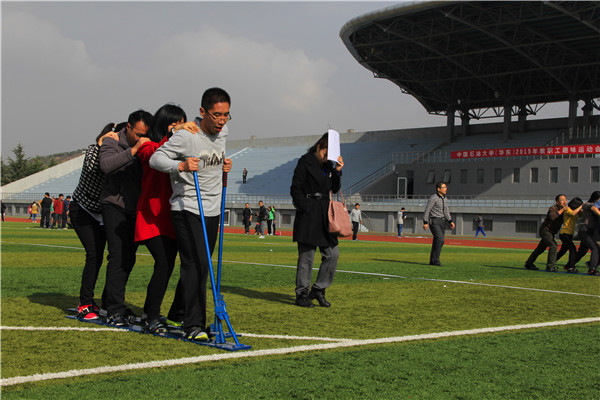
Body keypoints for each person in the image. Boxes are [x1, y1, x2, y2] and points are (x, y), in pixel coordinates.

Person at [150, 87, 233, 341]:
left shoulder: (224, 132)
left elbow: (214, 158)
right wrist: (181, 165)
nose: (221, 121)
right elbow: (156, 158)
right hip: (188, 207)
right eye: (216, 115)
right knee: (194, 264)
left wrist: (224, 165)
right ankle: (193, 325)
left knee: (204, 265)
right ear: (202, 112)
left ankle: (185, 314)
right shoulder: (188, 135)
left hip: (212, 208)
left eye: (226, 115)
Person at [135, 104, 199, 333]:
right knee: (163, 264)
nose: (180, 128)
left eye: (182, 122)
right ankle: (150, 315)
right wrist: (174, 132)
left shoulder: (181, 151)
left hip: (174, 215)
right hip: (151, 217)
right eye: (174, 123)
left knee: (186, 263)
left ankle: (175, 314)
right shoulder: (149, 146)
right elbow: (153, 156)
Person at [100, 110, 153, 326]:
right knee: (118, 256)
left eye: (145, 135)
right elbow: (106, 166)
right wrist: (134, 150)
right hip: (113, 204)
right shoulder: (111, 141)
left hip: (134, 208)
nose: (141, 138)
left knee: (128, 258)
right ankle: (114, 309)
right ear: (128, 127)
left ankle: (108, 302)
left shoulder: (146, 142)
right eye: (138, 134)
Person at [71, 123, 120, 320]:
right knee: (94, 255)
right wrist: (102, 144)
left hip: (103, 213)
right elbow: (93, 168)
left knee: (114, 256)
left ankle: (108, 300)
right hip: (82, 209)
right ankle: (84, 303)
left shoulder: (119, 156)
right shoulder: (93, 151)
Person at [290, 132, 344, 308]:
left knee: (332, 254)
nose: (327, 157)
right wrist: (305, 207)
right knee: (307, 257)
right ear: (319, 147)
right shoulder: (304, 162)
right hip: (309, 212)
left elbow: (334, 189)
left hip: (325, 213)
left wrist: (337, 171)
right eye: (325, 153)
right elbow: (295, 188)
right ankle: (302, 294)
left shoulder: (329, 166)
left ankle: (319, 289)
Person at [524, 194, 567, 272]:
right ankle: (550, 266)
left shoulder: (565, 210)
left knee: (540, 249)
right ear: (557, 202)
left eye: (565, 200)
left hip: (551, 232)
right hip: (545, 230)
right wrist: (562, 210)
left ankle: (529, 264)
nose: (565, 202)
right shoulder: (553, 208)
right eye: (562, 200)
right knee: (553, 246)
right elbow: (552, 217)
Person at [423, 182, 455, 266]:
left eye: (446, 187)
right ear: (438, 189)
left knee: (439, 241)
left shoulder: (445, 198)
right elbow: (427, 210)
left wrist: (450, 221)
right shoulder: (433, 198)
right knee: (440, 239)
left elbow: (446, 211)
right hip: (434, 221)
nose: (446, 189)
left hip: (442, 222)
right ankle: (436, 260)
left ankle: (433, 260)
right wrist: (425, 222)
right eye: (444, 187)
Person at [574, 191, 600, 275]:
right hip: (585, 231)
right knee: (595, 248)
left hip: (588, 231)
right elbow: (597, 212)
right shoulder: (589, 205)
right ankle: (592, 269)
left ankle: (570, 264)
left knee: (582, 251)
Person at [556, 197, 583, 273]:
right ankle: (571, 267)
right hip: (564, 233)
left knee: (563, 251)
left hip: (569, 234)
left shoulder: (576, 211)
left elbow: (582, 214)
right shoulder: (567, 209)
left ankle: (551, 262)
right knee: (573, 249)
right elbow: (573, 213)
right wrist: (581, 206)